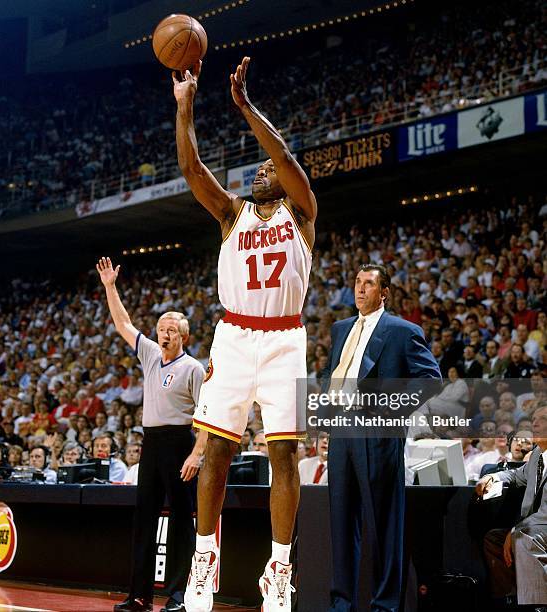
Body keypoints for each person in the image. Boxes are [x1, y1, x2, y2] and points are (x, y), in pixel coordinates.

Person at [174, 56, 317, 612]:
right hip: (234, 336)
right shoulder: (233, 215)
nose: (261, 170)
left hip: (284, 339)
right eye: (256, 168)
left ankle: (279, 570)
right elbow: (192, 171)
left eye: (267, 169)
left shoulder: (302, 213)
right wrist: (185, 109)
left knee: (285, 457)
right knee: (217, 456)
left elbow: (282, 154)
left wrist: (245, 107)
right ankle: (204, 561)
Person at [324, 264, 441, 612]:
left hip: (378, 433)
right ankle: (341, 603)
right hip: (342, 433)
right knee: (342, 523)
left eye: (369, 284)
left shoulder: (403, 331)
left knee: (385, 525)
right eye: (357, 283)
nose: (360, 290)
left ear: (384, 292)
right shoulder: (340, 329)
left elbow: (430, 379)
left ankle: (385, 605)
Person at [97, 258, 206, 612]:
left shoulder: (193, 368)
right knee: (144, 517)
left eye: (172, 328)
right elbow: (123, 323)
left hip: (179, 443)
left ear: (184, 336)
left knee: (180, 519)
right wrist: (110, 287)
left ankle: (177, 596)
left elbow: (206, 416)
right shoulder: (149, 354)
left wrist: (197, 453)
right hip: (151, 442)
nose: (165, 332)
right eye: (161, 327)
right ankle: (140, 595)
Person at [476, 405, 547, 607]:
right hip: (536, 528)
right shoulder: (536, 456)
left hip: (541, 526)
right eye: (534, 419)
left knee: (523, 538)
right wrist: (491, 476)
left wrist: (517, 530)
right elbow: (516, 475)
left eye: (543, 419)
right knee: (494, 538)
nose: (535, 423)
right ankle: (510, 598)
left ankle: (537, 605)